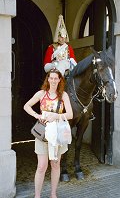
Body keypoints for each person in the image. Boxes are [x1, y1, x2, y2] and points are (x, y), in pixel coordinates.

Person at [24, 68, 73, 198]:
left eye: (55, 78)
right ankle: (37, 196)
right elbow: (26, 106)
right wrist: (37, 115)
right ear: (48, 79)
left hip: (58, 134)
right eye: (50, 78)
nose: (53, 80)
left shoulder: (64, 95)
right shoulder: (41, 94)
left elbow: (70, 114)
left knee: (55, 165)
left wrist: (55, 116)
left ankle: (53, 194)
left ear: (59, 80)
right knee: (41, 166)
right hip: (42, 134)